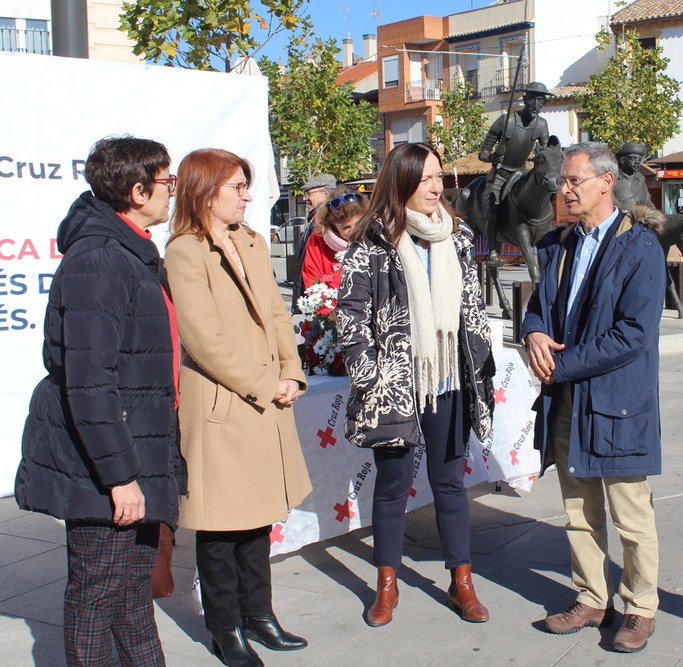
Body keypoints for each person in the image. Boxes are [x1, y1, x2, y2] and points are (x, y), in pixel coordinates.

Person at [15, 136, 186, 667]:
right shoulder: (101, 259)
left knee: (132, 598)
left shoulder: (130, 250)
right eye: (166, 183)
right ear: (137, 191)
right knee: (96, 596)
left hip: (134, 451)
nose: (170, 193)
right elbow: (88, 381)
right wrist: (120, 478)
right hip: (104, 467)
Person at [337, 142, 496, 628]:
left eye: (438, 176)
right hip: (395, 385)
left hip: (448, 378)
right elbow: (351, 316)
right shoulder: (374, 240)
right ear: (402, 181)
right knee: (392, 486)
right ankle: (386, 585)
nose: (435, 186)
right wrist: (372, 375)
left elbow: (471, 304)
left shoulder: (460, 235)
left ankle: (462, 580)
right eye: (425, 177)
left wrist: (481, 356)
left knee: (450, 484)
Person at [164, 149, 312, 667]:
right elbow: (203, 339)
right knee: (222, 526)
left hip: (264, 398)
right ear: (206, 191)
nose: (248, 195)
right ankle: (225, 628)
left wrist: (292, 371)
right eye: (238, 186)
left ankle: (261, 616)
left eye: (247, 185)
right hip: (224, 406)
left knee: (258, 520)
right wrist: (265, 383)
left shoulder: (251, 240)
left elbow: (276, 311)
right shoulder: (184, 250)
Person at [520, 142, 666, 653]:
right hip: (567, 403)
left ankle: (640, 608)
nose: (565, 189)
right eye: (564, 181)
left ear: (606, 182)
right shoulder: (558, 245)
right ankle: (590, 597)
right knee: (578, 510)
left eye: (574, 180)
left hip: (616, 404)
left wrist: (560, 365)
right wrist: (534, 334)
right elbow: (537, 306)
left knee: (631, 515)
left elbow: (633, 334)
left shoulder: (641, 248)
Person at [478, 81, 553, 266]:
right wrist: (492, 157)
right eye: (533, 99)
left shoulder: (542, 125)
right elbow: (483, 153)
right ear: (525, 99)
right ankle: (493, 252)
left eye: (541, 100)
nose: (536, 105)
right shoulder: (505, 121)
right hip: (500, 175)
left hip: (520, 175)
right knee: (493, 211)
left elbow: (545, 151)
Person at [299, 184, 365, 288]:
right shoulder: (317, 240)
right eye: (344, 227)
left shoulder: (372, 238)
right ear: (332, 225)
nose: (353, 231)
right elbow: (312, 281)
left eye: (357, 224)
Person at [291, 174, 339, 310]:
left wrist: (319, 296)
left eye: (309, 193)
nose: (305, 198)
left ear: (325, 194)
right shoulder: (315, 218)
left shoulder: (326, 220)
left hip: (323, 295)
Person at [612, 142, 654, 212]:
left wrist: (655, 216)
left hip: (640, 218)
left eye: (639, 159)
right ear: (623, 160)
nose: (637, 162)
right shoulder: (613, 177)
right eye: (633, 159)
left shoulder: (640, 178)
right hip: (621, 218)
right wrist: (627, 213)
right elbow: (610, 199)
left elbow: (647, 202)